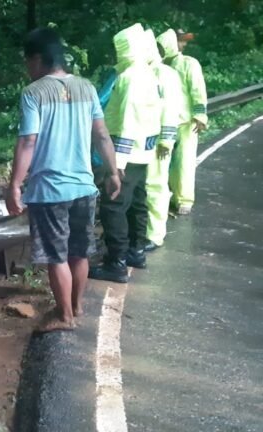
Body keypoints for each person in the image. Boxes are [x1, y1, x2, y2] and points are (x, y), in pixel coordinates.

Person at [6, 28, 121, 332]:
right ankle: (78, 307)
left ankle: (64, 316)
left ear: (37, 59)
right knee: (78, 251)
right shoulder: (87, 88)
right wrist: (112, 171)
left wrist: (15, 184)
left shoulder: (34, 93)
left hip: (50, 190)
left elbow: (28, 141)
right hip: (84, 187)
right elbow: (101, 134)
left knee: (56, 255)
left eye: (27, 62)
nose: (27, 69)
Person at [88, 23, 161, 284]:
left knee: (114, 206)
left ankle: (116, 262)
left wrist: (116, 164)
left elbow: (128, 119)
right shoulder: (150, 75)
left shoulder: (130, 77)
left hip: (125, 152)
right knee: (137, 203)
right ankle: (136, 251)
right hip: (144, 152)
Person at [156, 28, 208, 216]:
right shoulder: (158, 66)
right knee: (161, 163)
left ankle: (184, 200)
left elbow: (198, 90)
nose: (183, 44)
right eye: (180, 40)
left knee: (184, 163)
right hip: (164, 122)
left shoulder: (188, 64)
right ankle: (166, 197)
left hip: (186, 123)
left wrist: (200, 115)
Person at [143, 29, 182, 251]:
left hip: (158, 141)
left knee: (155, 185)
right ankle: (148, 231)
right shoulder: (150, 71)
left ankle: (154, 234)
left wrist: (166, 138)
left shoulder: (164, 74)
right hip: (147, 138)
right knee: (147, 186)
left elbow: (171, 108)